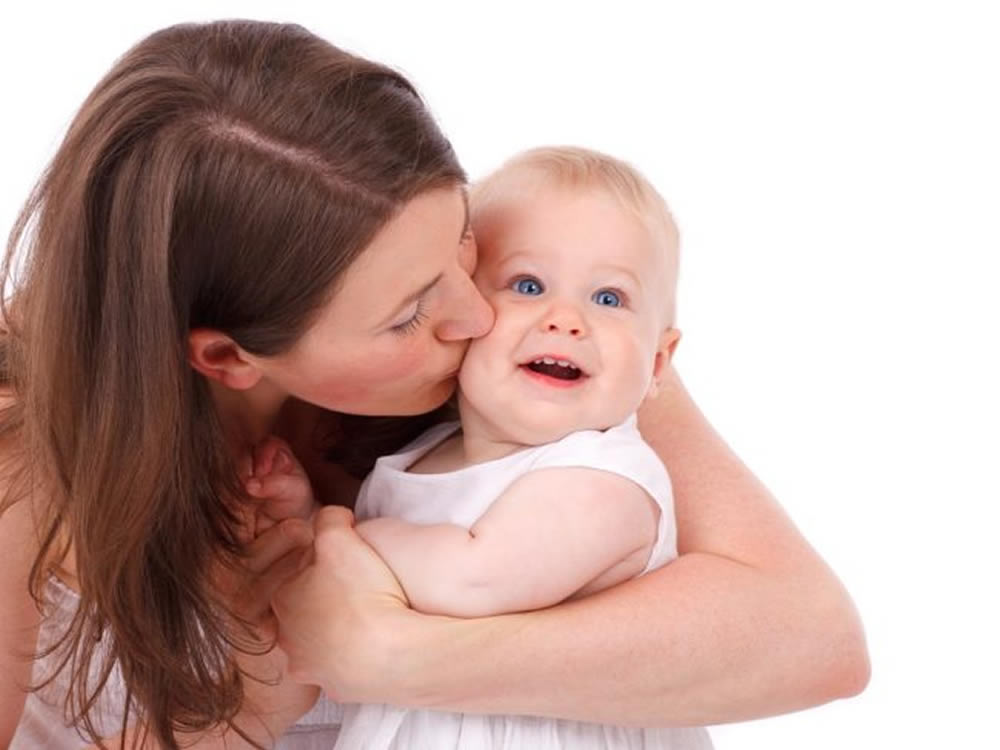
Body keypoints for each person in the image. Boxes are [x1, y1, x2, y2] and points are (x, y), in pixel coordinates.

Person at [0, 18, 869, 750]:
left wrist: (388, 651)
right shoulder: (24, 445)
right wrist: (263, 671)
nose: (478, 313)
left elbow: (814, 639)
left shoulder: (542, 327)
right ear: (226, 357)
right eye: (409, 314)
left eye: (463, 239)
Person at [257, 146, 713, 748]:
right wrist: (301, 518)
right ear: (466, 312)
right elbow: (380, 572)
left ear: (657, 363)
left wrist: (332, 535)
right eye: (527, 285)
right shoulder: (422, 454)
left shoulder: (604, 479)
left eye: (608, 299)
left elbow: (468, 581)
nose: (566, 320)